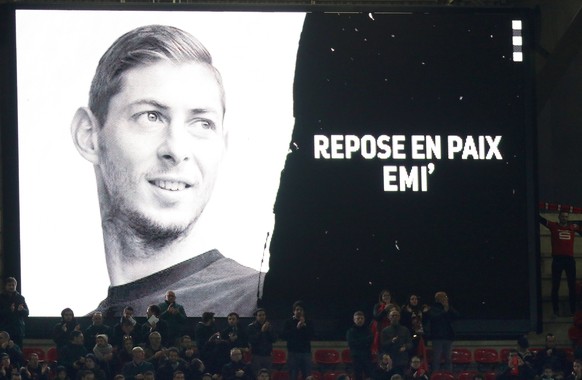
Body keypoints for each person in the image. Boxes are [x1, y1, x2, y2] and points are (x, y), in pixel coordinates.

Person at [71, 24, 261, 318]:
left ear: (222, 146)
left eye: (201, 123)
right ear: (88, 135)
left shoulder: (263, 302)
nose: (176, 149)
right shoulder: (83, 331)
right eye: (151, 116)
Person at [539, 210, 582, 317]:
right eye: (563, 216)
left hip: (569, 260)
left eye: (566, 216)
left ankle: (573, 311)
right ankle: (556, 311)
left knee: (572, 286)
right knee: (555, 286)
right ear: (559, 217)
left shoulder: (573, 227)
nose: (564, 218)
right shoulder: (553, 226)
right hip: (557, 260)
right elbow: (541, 220)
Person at [423, 291, 458, 372]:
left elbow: (456, 316)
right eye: (444, 297)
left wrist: (448, 309)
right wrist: (445, 311)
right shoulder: (432, 308)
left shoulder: (449, 307)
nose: (446, 299)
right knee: (436, 359)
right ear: (438, 299)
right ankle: (435, 375)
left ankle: (449, 375)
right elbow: (434, 317)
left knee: (448, 359)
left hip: (448, 337)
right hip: (437, 338)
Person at [282, 301, 314, 380]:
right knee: (293, 375)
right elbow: (284, 336)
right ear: (294, 311)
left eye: (301, 310)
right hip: (293, 353)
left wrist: (305, 327)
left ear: (304, 311)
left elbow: (312, 336)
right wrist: (297, 328)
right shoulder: (288, 322)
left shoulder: (309, 322)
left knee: (307, 375)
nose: (299, 311)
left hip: (306, 353)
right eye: (297, 309)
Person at [380, 310, 412, 375]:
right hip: (390, 359)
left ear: (399, 317)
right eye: (392, 315)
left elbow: (410, 344)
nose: (394, 317)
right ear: (389, 317)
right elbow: (382, 345)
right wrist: (391, 341)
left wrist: (405, 347)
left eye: (396, 315)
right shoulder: (385, 331)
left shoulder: (405, 330)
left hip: (402, 360)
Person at [0, 278, 29, 348]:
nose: (11, 287)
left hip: (18, 330)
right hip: (5, 330)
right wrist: (9, 310)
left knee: (18, 351)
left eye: (13, 285)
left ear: (16, 286)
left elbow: (27, 312)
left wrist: (22, 310)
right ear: (5, 286)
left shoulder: (20, 298)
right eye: (9, 285)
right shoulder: (1, 297)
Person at [247, 308, 277, 375]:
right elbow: (252, 340)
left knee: (267, 375)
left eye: (263, 315)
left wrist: (269, 331)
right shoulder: (251, 327)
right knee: (257, 374)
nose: (262, 317)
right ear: (256, 316)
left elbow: (274, 339)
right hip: (256, 355)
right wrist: (261, 331)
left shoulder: (269, 326)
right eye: (260, 315)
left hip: (268, 355)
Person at [346, 311, 373, 380]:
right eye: (358, 318)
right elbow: (352, 343)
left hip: (367, 356)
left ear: (364, 319)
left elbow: (370, 341)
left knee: (369, 375)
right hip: (356, 357)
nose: (360, 320)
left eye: (361, 318)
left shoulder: (368, 330)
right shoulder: (350, 331)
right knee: (357, 376)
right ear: (354, 320)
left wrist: (359, 341)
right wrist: (364, 341)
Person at [371, 290, 398, 356]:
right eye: (384, 295)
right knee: (381, 351)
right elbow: (376, 317)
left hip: (393, 330)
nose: (386, 297)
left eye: (388, 295)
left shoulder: (395, 306)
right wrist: (385, 310)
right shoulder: (377, 306)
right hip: (381, 330)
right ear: (381, 297)